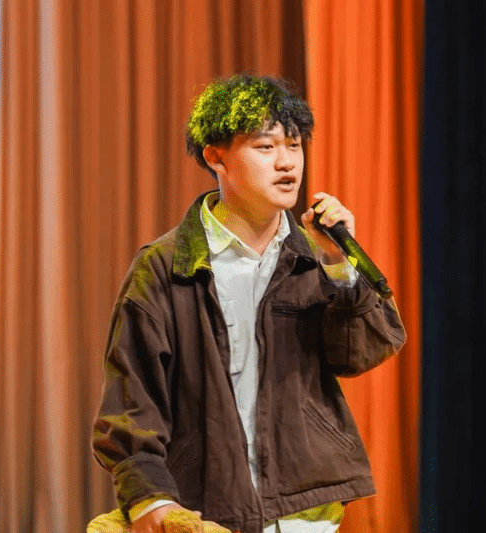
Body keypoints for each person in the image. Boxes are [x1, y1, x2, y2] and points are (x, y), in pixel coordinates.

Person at [92, 75, 406, 533]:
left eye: (294, 146)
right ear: (216, 157)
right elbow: (131, 403)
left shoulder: (315, 256)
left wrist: (340, 265)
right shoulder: (165, 267)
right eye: (265, 147)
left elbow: (360, 353)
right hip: (205, 509)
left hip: (306, 515)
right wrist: (148, 498)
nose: (287, 162)